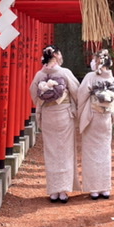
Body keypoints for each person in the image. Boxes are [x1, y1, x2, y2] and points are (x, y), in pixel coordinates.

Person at [29, 45, 80, 203]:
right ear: (57, 55)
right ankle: (64, 190)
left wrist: (44, 99)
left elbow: (33, 91)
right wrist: (73, 106)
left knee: (51, 151)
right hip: (64, 114)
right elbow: (77, 92)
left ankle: (53, 191)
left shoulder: (40, 74)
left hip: (48, 115)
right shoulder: (64, 73)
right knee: (65, 150)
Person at [78, 49, 114, 199]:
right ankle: (105, 188)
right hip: (105, 118)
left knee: (91, 152)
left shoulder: (90, 77)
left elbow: (81, 95)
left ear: (97, 61)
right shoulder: (112, 79)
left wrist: (80, 113)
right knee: (104, 151)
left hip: (92, 117)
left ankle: (93, 189)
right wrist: (109, 108)